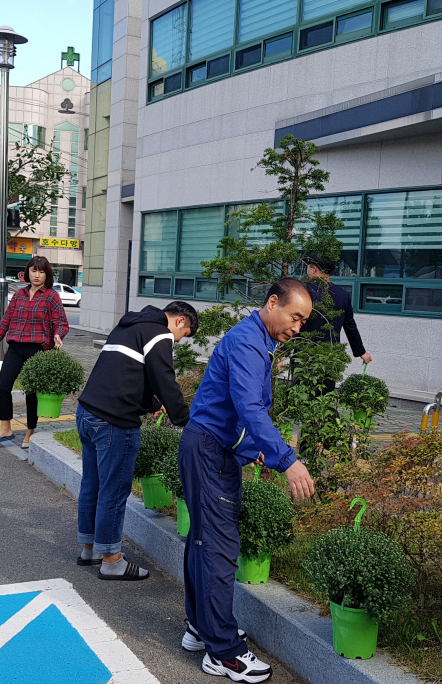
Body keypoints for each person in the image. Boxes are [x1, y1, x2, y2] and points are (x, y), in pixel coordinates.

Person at [179, 278, 316, 683]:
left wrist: (250, 446)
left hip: (210, 446)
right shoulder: (249, 343)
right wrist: (287, 460)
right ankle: (222, 652)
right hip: (209, 451)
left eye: (304, 321)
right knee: (219, 548)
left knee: (203, 541)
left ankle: (200, 628)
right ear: (272, 303)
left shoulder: (257, 338)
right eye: (295, 317)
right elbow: (250, 406)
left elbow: (237, 410)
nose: (298, 327)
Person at [73, 300, 198, 578]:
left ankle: (91, 548)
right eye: (183, 335)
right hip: (114, 422)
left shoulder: (128, 326)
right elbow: (164, 378)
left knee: (92, 484)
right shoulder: (160, 332)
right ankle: (112, 560)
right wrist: (186, 421)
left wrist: (153, 404)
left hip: (87, 412)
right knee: (114, 490)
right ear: (179, 321)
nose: (178, 340)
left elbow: (129, 375)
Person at [0, 257, 70, 448]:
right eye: (33, 271)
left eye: (41, 272)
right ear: (27, 272)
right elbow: (6, 320)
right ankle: (6, 429)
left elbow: (61, 322)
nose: (37, 275)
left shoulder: (51, 296)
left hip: (37, 349)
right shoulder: (19, 294)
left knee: (31, 392)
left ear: (47, 274)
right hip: (15, 347)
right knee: (3, 386)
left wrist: (58, 335)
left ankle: (30, 431)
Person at [301, 253, 371, 367]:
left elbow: (290, 321)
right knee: (327, 384)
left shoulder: (302, 292)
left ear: (314, 269)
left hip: (303, 352)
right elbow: (350, 326)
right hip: (330, 355)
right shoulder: (343, 295)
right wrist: (361, 352)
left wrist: (281, 352)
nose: (307, 272)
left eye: (308, 267)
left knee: (300, 383)